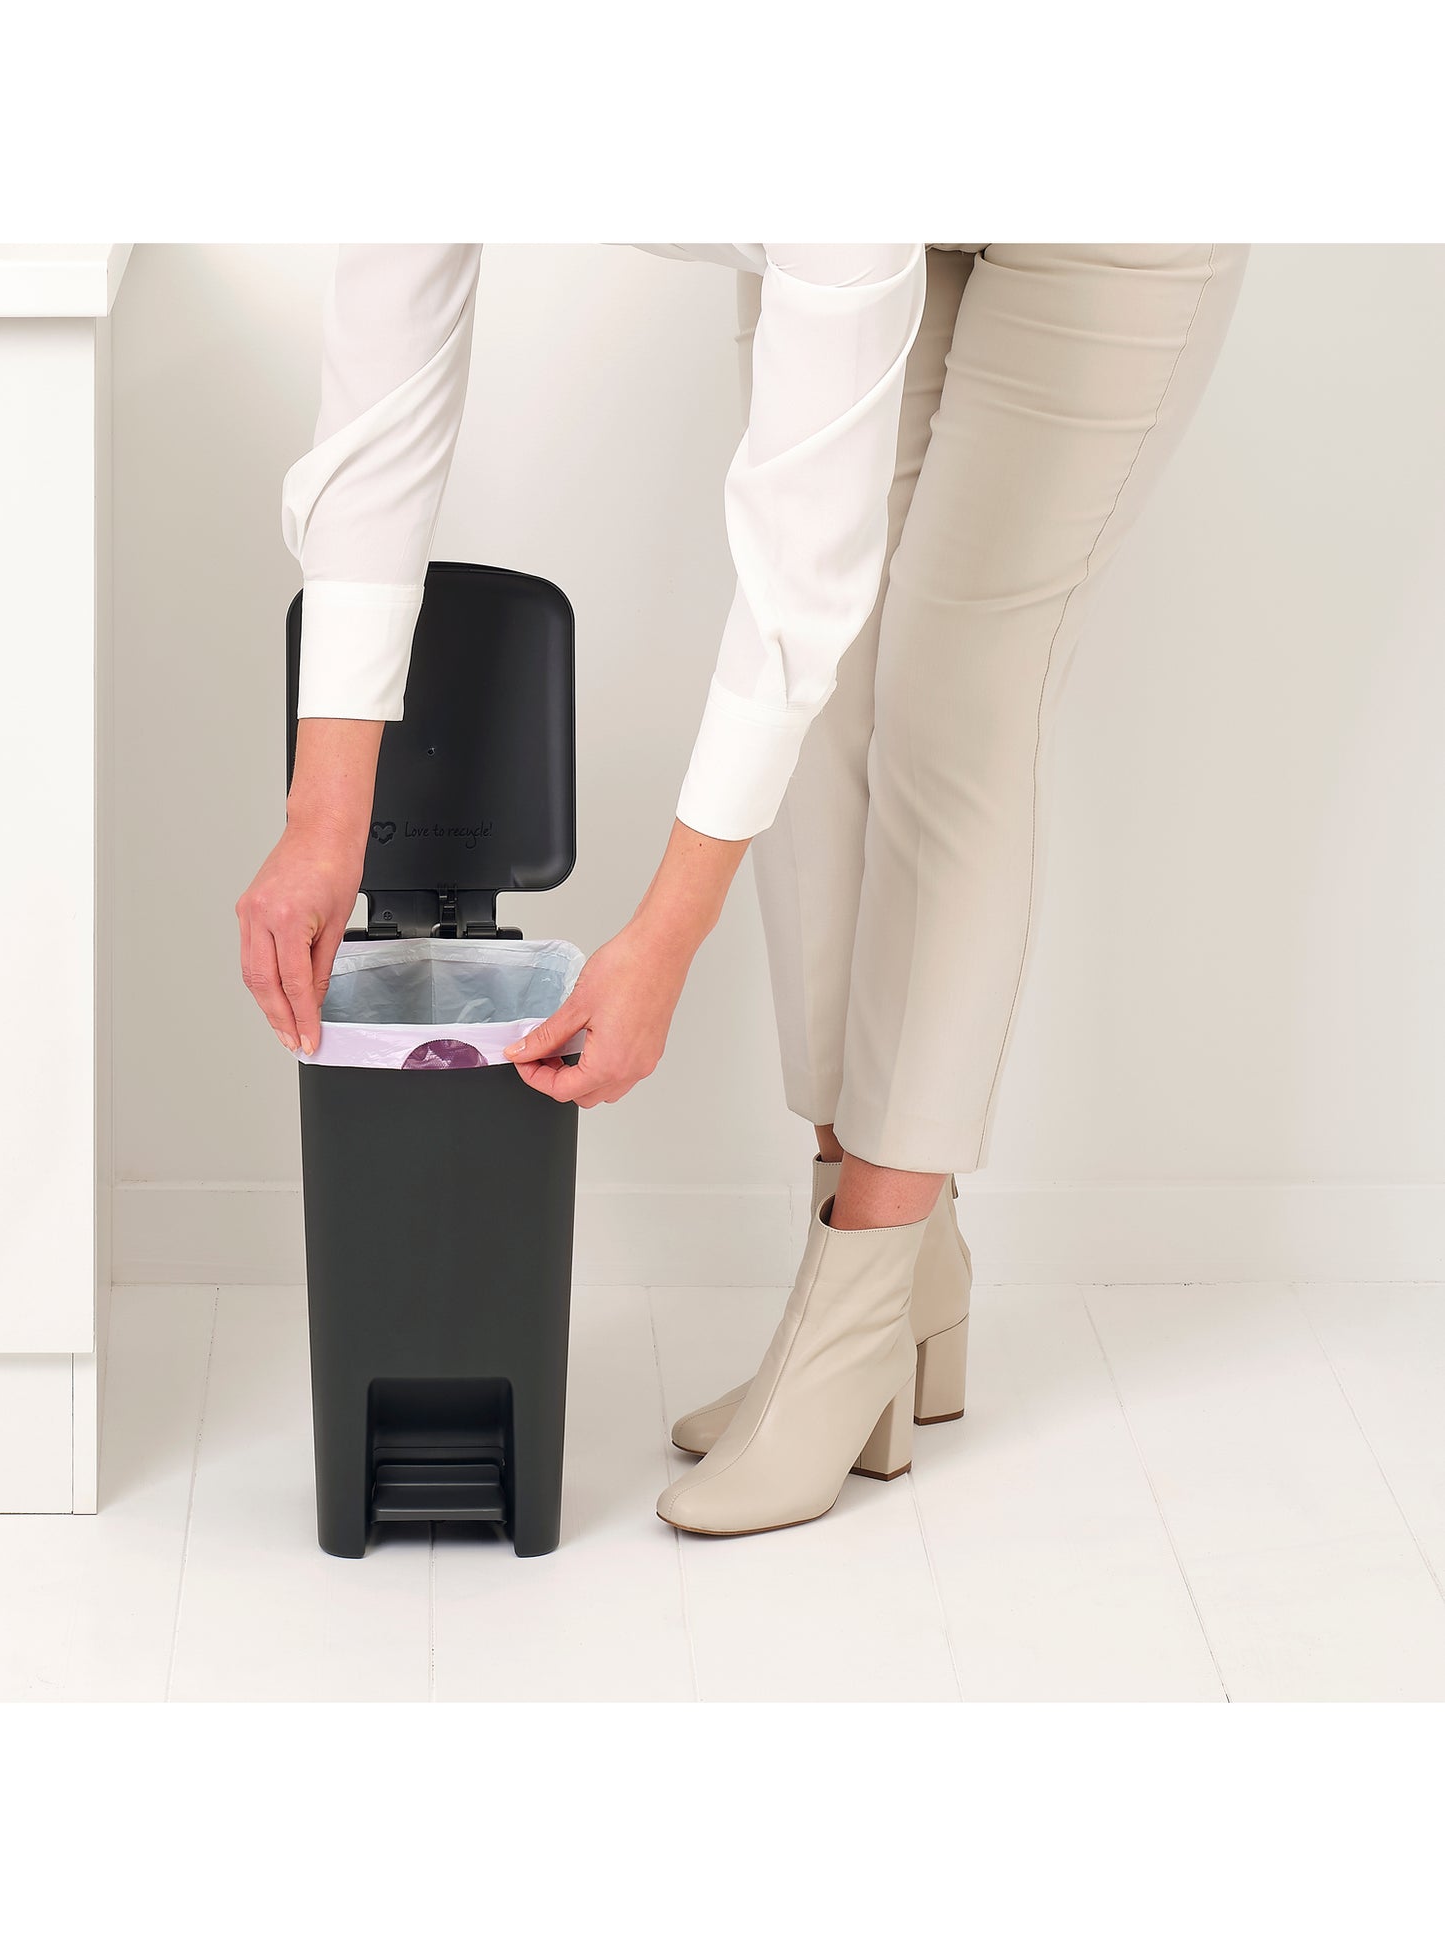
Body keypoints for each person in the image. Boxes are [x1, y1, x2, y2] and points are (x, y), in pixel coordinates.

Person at [237, 242, 1247, 1539]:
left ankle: (861, 1303)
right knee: (824, 728)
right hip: (875, 215)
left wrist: (664, 936)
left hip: (1103, 213)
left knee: (953, 702)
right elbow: (381, 407)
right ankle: (899, 1267)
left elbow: (794, 580)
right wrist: (323, 821)